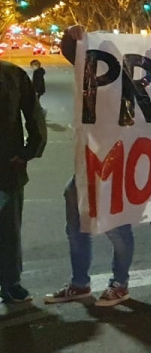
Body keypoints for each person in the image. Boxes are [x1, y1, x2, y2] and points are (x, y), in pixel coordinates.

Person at [43, 25, 135, 307]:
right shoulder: (91, 76)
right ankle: (80, 283)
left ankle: (120, 283)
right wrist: (69, 36)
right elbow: (74, 52)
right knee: (76, 219)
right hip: (88, 164)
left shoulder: (132, 84)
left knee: (116, 226)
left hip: (116, 162)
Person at [0, 55, 46, 304]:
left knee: (7, 230)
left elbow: (34, 114)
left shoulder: (12, 75)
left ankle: (10, 282)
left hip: (6, 169)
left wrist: (28, 151)